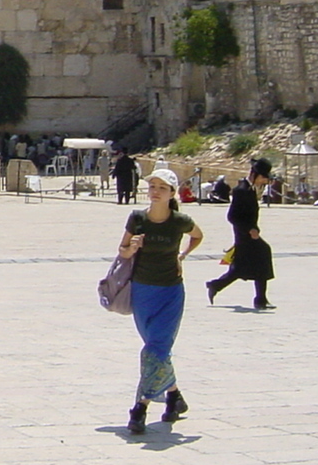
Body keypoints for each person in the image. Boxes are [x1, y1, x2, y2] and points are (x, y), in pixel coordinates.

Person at [118, 167, 204, 434]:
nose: (155, 192)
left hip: (170, 292)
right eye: (152, 186)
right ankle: (175, 396)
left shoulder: (180, 220)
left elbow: (198, 235)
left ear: (171, 194)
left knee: (155, 349)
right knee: (157, 349)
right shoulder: (137, 219)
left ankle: (139, 408)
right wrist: (131, 249)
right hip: (143, 290)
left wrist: (182, 255)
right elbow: (122, 249)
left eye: (161, 188)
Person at [207, 158, 275, 309]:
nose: (264, 180)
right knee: (258, 257)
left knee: (244, 266)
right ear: (255, 174)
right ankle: (259, 299)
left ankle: (216, 286)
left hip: (250, 234)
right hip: (244, 236)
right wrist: (248, 230)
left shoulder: (250, 189)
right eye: (263, 176)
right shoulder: (241, 190)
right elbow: (232, 216)